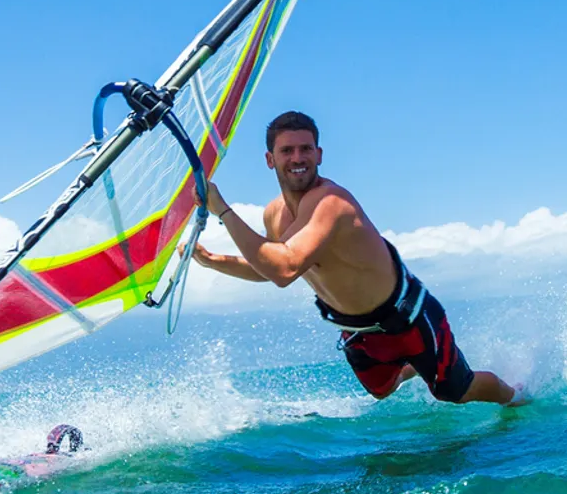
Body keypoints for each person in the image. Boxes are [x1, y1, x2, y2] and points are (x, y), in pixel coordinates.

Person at [193, 110, 524, 407]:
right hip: (358, 332)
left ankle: (516, 397)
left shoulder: (331, 204)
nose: (298, 157)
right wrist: (211, 260)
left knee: (455, 392)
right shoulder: (274, 215)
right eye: (287, 150)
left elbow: (285, 269)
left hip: (407, 318)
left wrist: (222, 209)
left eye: (306, 148)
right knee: (381, 390)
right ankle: (412, 366)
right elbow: (268, 265)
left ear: (319, 154)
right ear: (270, 159)